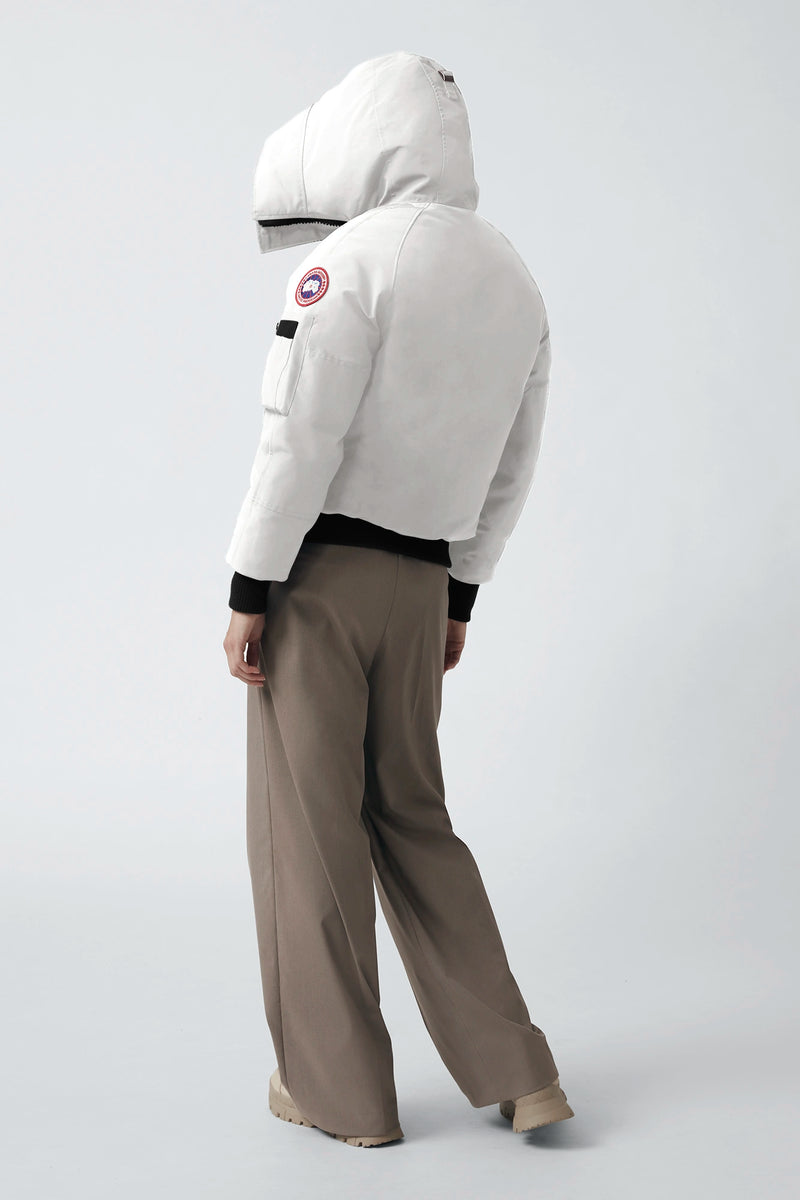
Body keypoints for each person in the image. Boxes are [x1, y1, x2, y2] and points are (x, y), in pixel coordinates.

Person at [221, 50, 574, 1147]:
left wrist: (250, 585)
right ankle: (520, 1071)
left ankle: (342, 1097)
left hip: (320, 580)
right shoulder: (514, 280)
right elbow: (512, 465)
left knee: (308, 832)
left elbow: (298, 438)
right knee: (416, 819)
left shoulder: (350, 261)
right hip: (424, 587)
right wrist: (461, 594)